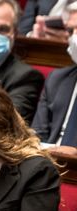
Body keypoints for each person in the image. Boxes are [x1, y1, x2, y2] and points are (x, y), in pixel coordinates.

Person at [32, 2, 77, 152]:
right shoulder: (57, 79)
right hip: (48, 164)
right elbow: (37, 136)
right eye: (71, 31)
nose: (75, 38)